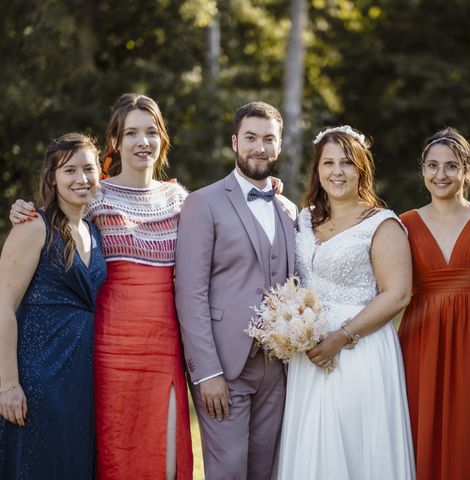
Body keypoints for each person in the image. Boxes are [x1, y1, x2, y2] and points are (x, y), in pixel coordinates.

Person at [8, 94, 194, 479]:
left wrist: (260, 189)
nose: (142, 141)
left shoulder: (180, 199)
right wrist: (21, 210)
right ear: (116, 142)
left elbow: (220, 232)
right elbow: (56, 213)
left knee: (166, 460)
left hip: (163, 349)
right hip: (106, 351)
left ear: (162, 139)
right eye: (131, 133)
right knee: (110, 454)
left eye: (151, 132)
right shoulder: (96, 196)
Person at [274, 126, 415, 479]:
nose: (337, 171)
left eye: (347, 163)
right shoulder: (303, 219)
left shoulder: (382, 223)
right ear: (317, 170)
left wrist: (342, 336)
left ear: (361, 169)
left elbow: (398, 293)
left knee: (356, 442)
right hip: (307, 352)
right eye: (329, 163)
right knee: (312, 444)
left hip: (359, 349)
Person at [175, 101, 297, 479]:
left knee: (266, 470)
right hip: (225, 366)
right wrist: (206, 372)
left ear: (279, 146)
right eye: (250, 138)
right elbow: (190, 293)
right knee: (228, 470)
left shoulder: (289, 209)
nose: (259, 147)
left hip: (277, 367)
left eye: (268, 139)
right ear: (234, 142)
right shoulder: (203, 202)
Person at [397, 127, 470, 479]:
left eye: (451, 166)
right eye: (432, 166)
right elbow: (389, 289)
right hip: (423, 342)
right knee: (423, 423)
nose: (440, 175)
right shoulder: (404, 224)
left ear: (467, 170)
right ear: (422, 171)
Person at [0, 133, 107, 478]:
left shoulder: (95, 231)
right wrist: (8, 385)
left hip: (82, 378)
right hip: (37, 377)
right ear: (52, 177)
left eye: (89, 169)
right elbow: (3, 304)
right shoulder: (34, 226)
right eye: (70, 170)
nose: (82, 179)